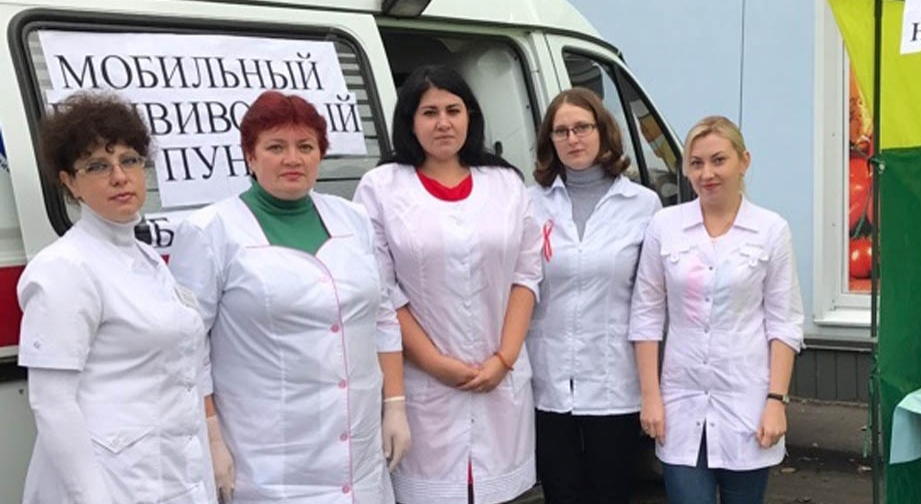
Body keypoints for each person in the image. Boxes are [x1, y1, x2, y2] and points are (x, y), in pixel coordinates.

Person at [169, 91, 410, 503]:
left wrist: (396, 404)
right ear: (250, 155)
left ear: (320, 154)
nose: (292, 159)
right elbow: (186, 348)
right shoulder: (211, 231)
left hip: (360, 450)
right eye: (276, 147)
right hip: (267, 461)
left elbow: (383, 316)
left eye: (305, 147)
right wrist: (211, 439)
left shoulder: (352, 219)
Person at [353, 65, 542, 504]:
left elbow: (526, 275)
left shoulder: (506, 183)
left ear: (470, 117)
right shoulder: (381, 187)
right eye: (429, 112)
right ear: (410, 122)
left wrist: (504, 359)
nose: (443, 123)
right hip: (424, 386)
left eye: (453, 111)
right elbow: (382, 292)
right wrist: (435, 363)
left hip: (501, 382)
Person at [17, 92, 215, 503]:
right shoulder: (64, 268)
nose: (120, 176)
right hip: (109, 485)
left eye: (130, 160)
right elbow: (52, 404)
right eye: (97, 166)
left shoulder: (147, 259)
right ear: (69, 183)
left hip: (167, 476)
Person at [630, 115, 804, 504]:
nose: (707, 173)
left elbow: (784, 322)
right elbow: (646, 315)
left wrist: (776, 401)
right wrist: (650, 396)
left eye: (718, 160)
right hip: (680, 404)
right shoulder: (664, 226)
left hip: (747, 404)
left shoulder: (771, 230)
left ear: (744, 161)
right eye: (696, 163)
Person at [526, 88, 661, 504]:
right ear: (550, 140)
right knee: (561, 493)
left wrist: (653, 388)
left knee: (612, 492)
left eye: (582, 127)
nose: (573, 139)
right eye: (561, 131)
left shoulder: (642, 205)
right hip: (548, 382)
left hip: (613, 381)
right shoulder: (530, 204)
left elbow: (650, 303)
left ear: (603, 131)